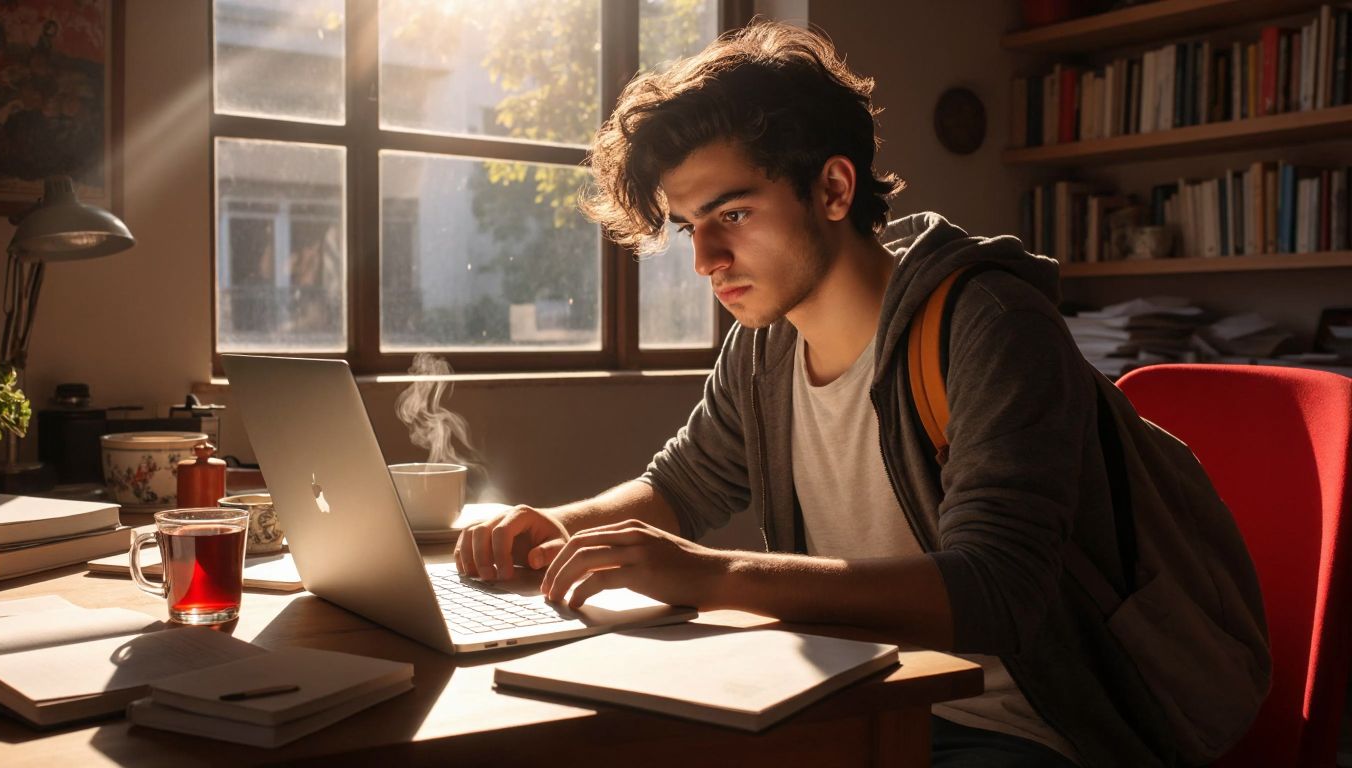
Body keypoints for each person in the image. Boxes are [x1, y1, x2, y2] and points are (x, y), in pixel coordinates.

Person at [453, 21, 1265, 767]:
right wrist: (556, 524)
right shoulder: (766, 344)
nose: (704, 258)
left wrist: (706, 575)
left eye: (731, 213)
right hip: (871, 692)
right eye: (688, 224)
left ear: (835, 190)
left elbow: (997, 590)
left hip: (1035, 725)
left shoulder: (986, 323)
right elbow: (682, 486)